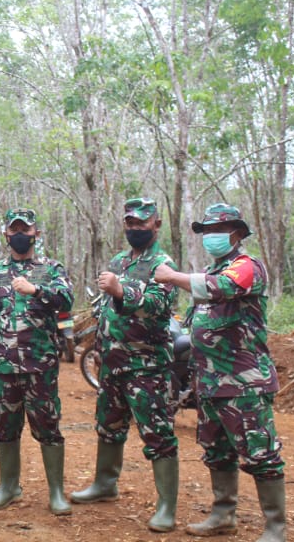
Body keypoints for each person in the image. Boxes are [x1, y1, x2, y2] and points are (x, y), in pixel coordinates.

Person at [154, 203, 285, 542]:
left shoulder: (246, 267)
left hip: (244, 384)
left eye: (218, 230)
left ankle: (275, 528)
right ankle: (223, 515)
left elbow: (221, 288)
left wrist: (172, 277)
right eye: (206, 231)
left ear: (238, 233)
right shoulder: (213, 269)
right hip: (210, 383)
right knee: (216, 451)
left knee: (260, 452)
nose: (211, 237)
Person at [70, 197, 180, 533]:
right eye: (130, 223)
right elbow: (105, 309)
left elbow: (160, 306)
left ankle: (166, 507)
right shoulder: (118, 261)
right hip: (113, 363)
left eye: (141, 223)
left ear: (156, 225)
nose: (135, 228)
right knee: (109, 424)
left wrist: (122, 291)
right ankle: (105, 483)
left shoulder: (163, 264)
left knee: (157, 433)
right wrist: (100, 345)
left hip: (146, 365)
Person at [0, 208, 74, 515]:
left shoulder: (51, 269)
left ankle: (56, 492)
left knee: (48, 426)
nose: (20, 235)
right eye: (14, 230)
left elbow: (67, 300)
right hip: (4, 367)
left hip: (40, 365)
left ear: (35, 234)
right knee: (6, 426)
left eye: (25, 230)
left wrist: (36, 290)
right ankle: (9, 487)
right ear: (6, 235)